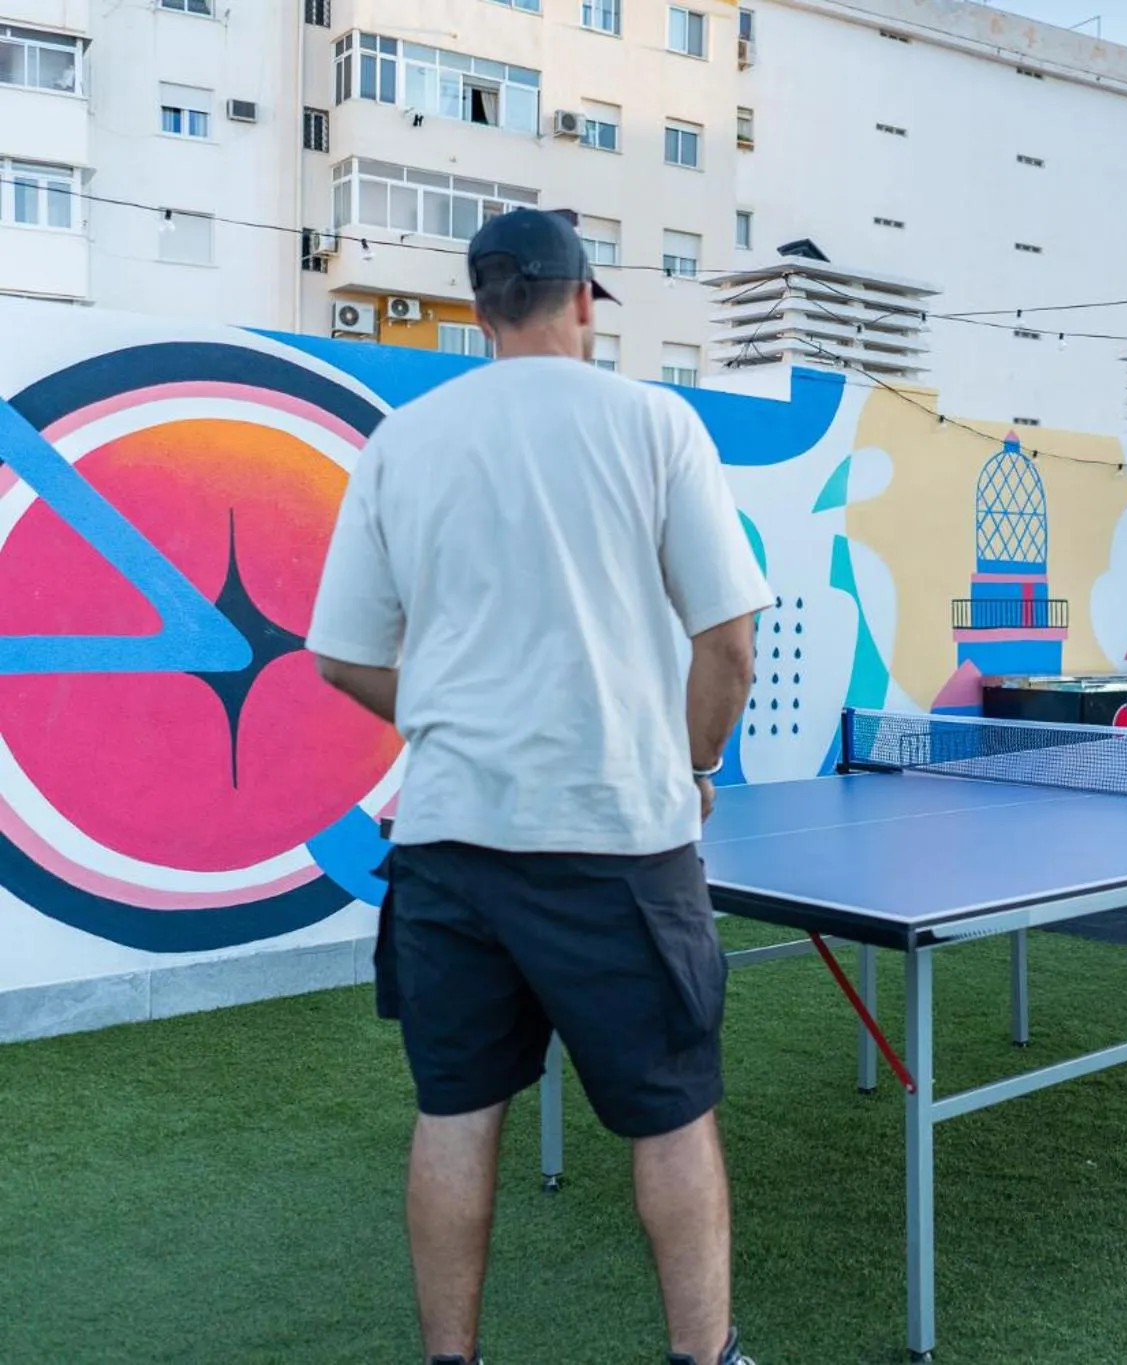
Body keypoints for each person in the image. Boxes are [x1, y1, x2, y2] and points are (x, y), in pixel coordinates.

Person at [306, 208, 774, 1365]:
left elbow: (340, 655)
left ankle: (449, 1359)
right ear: (581, 300)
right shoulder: (654, 422)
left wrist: (443, 720)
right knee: (669, 1115)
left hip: (449, 839)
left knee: (455, 1112)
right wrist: (696, 766)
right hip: (621, 835)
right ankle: (701, 1359)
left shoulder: (401, 443)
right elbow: (729, 647)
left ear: (480, 310)